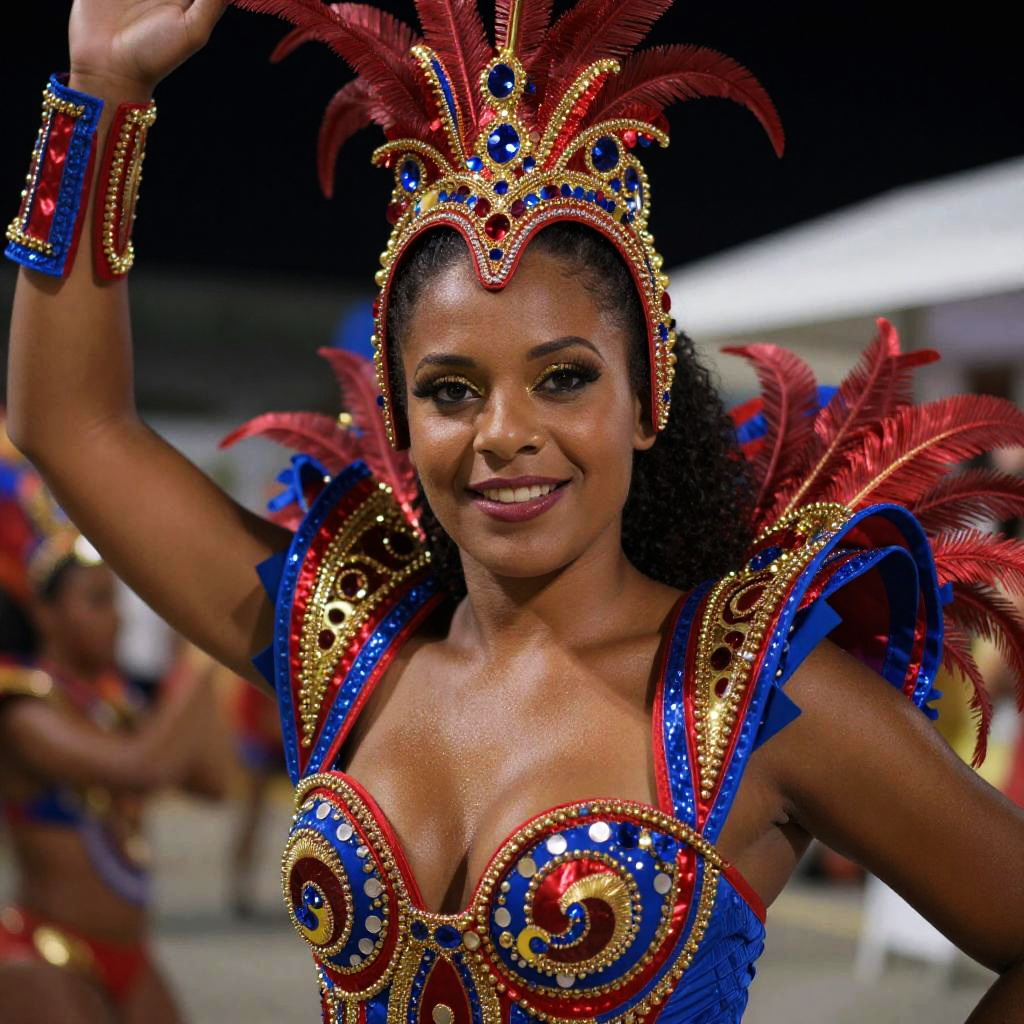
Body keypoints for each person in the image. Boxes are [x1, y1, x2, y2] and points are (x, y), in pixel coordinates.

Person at [5, 2, 1024, 1023]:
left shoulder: (750, 698)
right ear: (400, 421)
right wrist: (102, 92)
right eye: (450, 390)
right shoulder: (347, 644)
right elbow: (70, 424)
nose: (503, 433)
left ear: (647, 402)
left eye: (563, 378)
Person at [0, 434, 227, 1023]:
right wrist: (205, 651)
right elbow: (145, 768)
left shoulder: (113, 702)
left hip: (132, 954)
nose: (118, 617)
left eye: (116, 600)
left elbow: (210, 783)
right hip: (47, 955)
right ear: (45, 612)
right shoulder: (23, 710)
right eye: (97, 601)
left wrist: (192, 653)